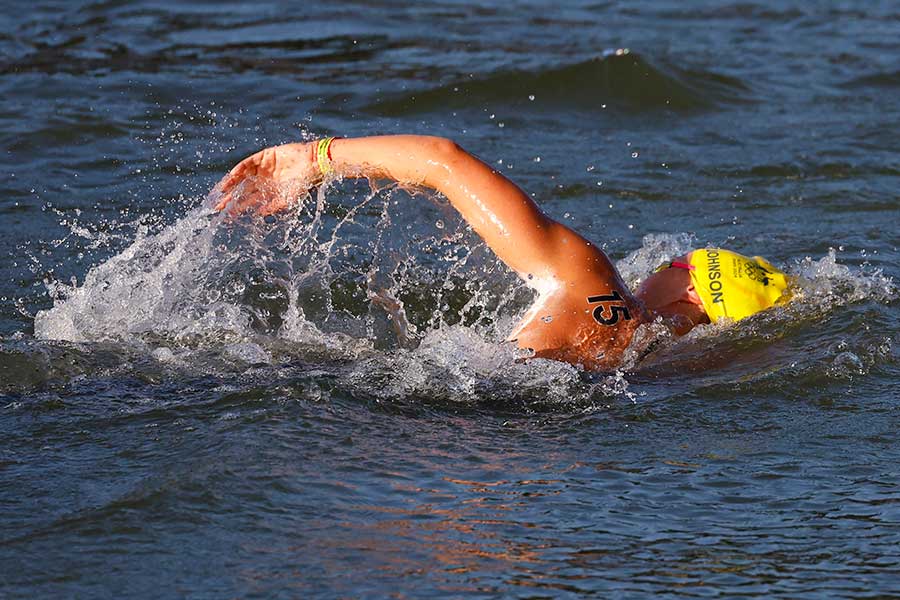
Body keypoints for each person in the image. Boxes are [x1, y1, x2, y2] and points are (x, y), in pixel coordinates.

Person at [214, 135, 791, 370]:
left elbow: (445, 159)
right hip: (511, 435)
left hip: (448, 402)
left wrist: (313, 159)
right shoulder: (659, 366)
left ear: (693, 287)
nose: (664, 265)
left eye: (679, 264)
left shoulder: (592, 281)